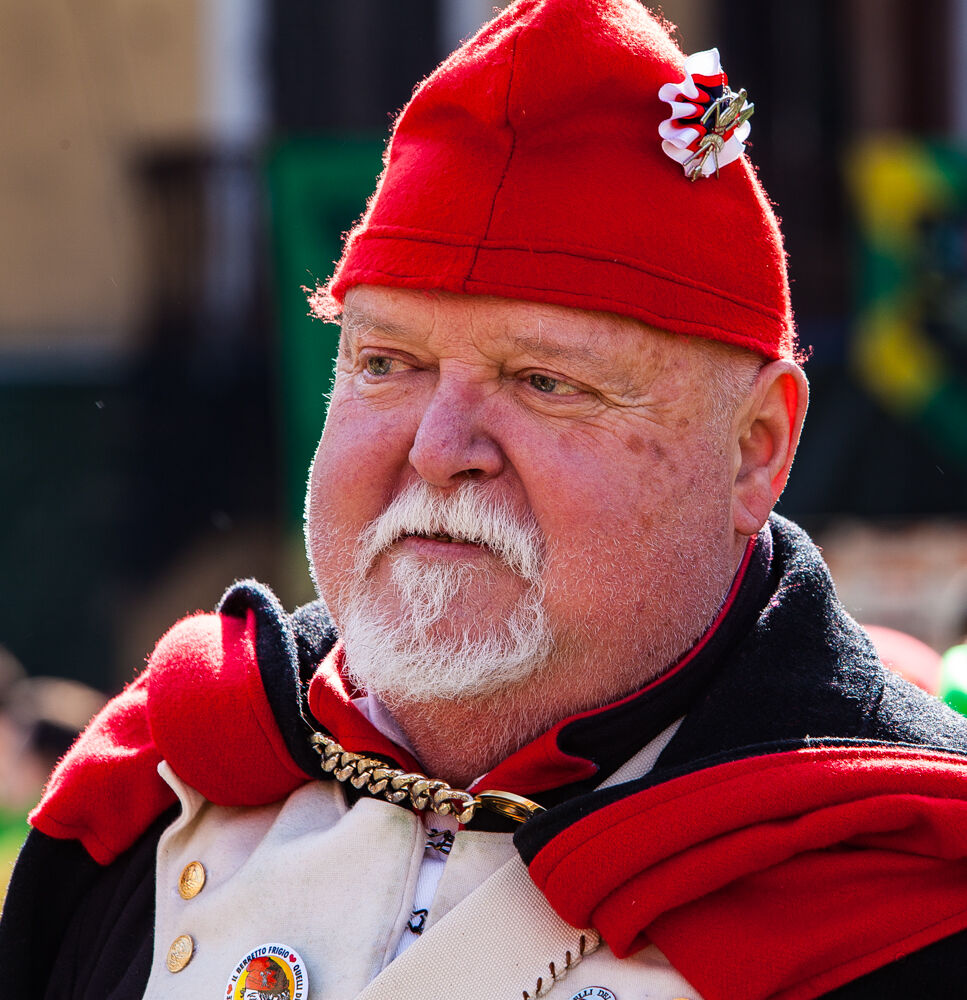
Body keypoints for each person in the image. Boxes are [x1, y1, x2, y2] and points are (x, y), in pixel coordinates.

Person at [4, 1, 967, 998]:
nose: (436, 450)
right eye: (385, 363)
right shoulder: (156, 795)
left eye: (543, 380)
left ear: (752, 450)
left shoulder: (911, 893)